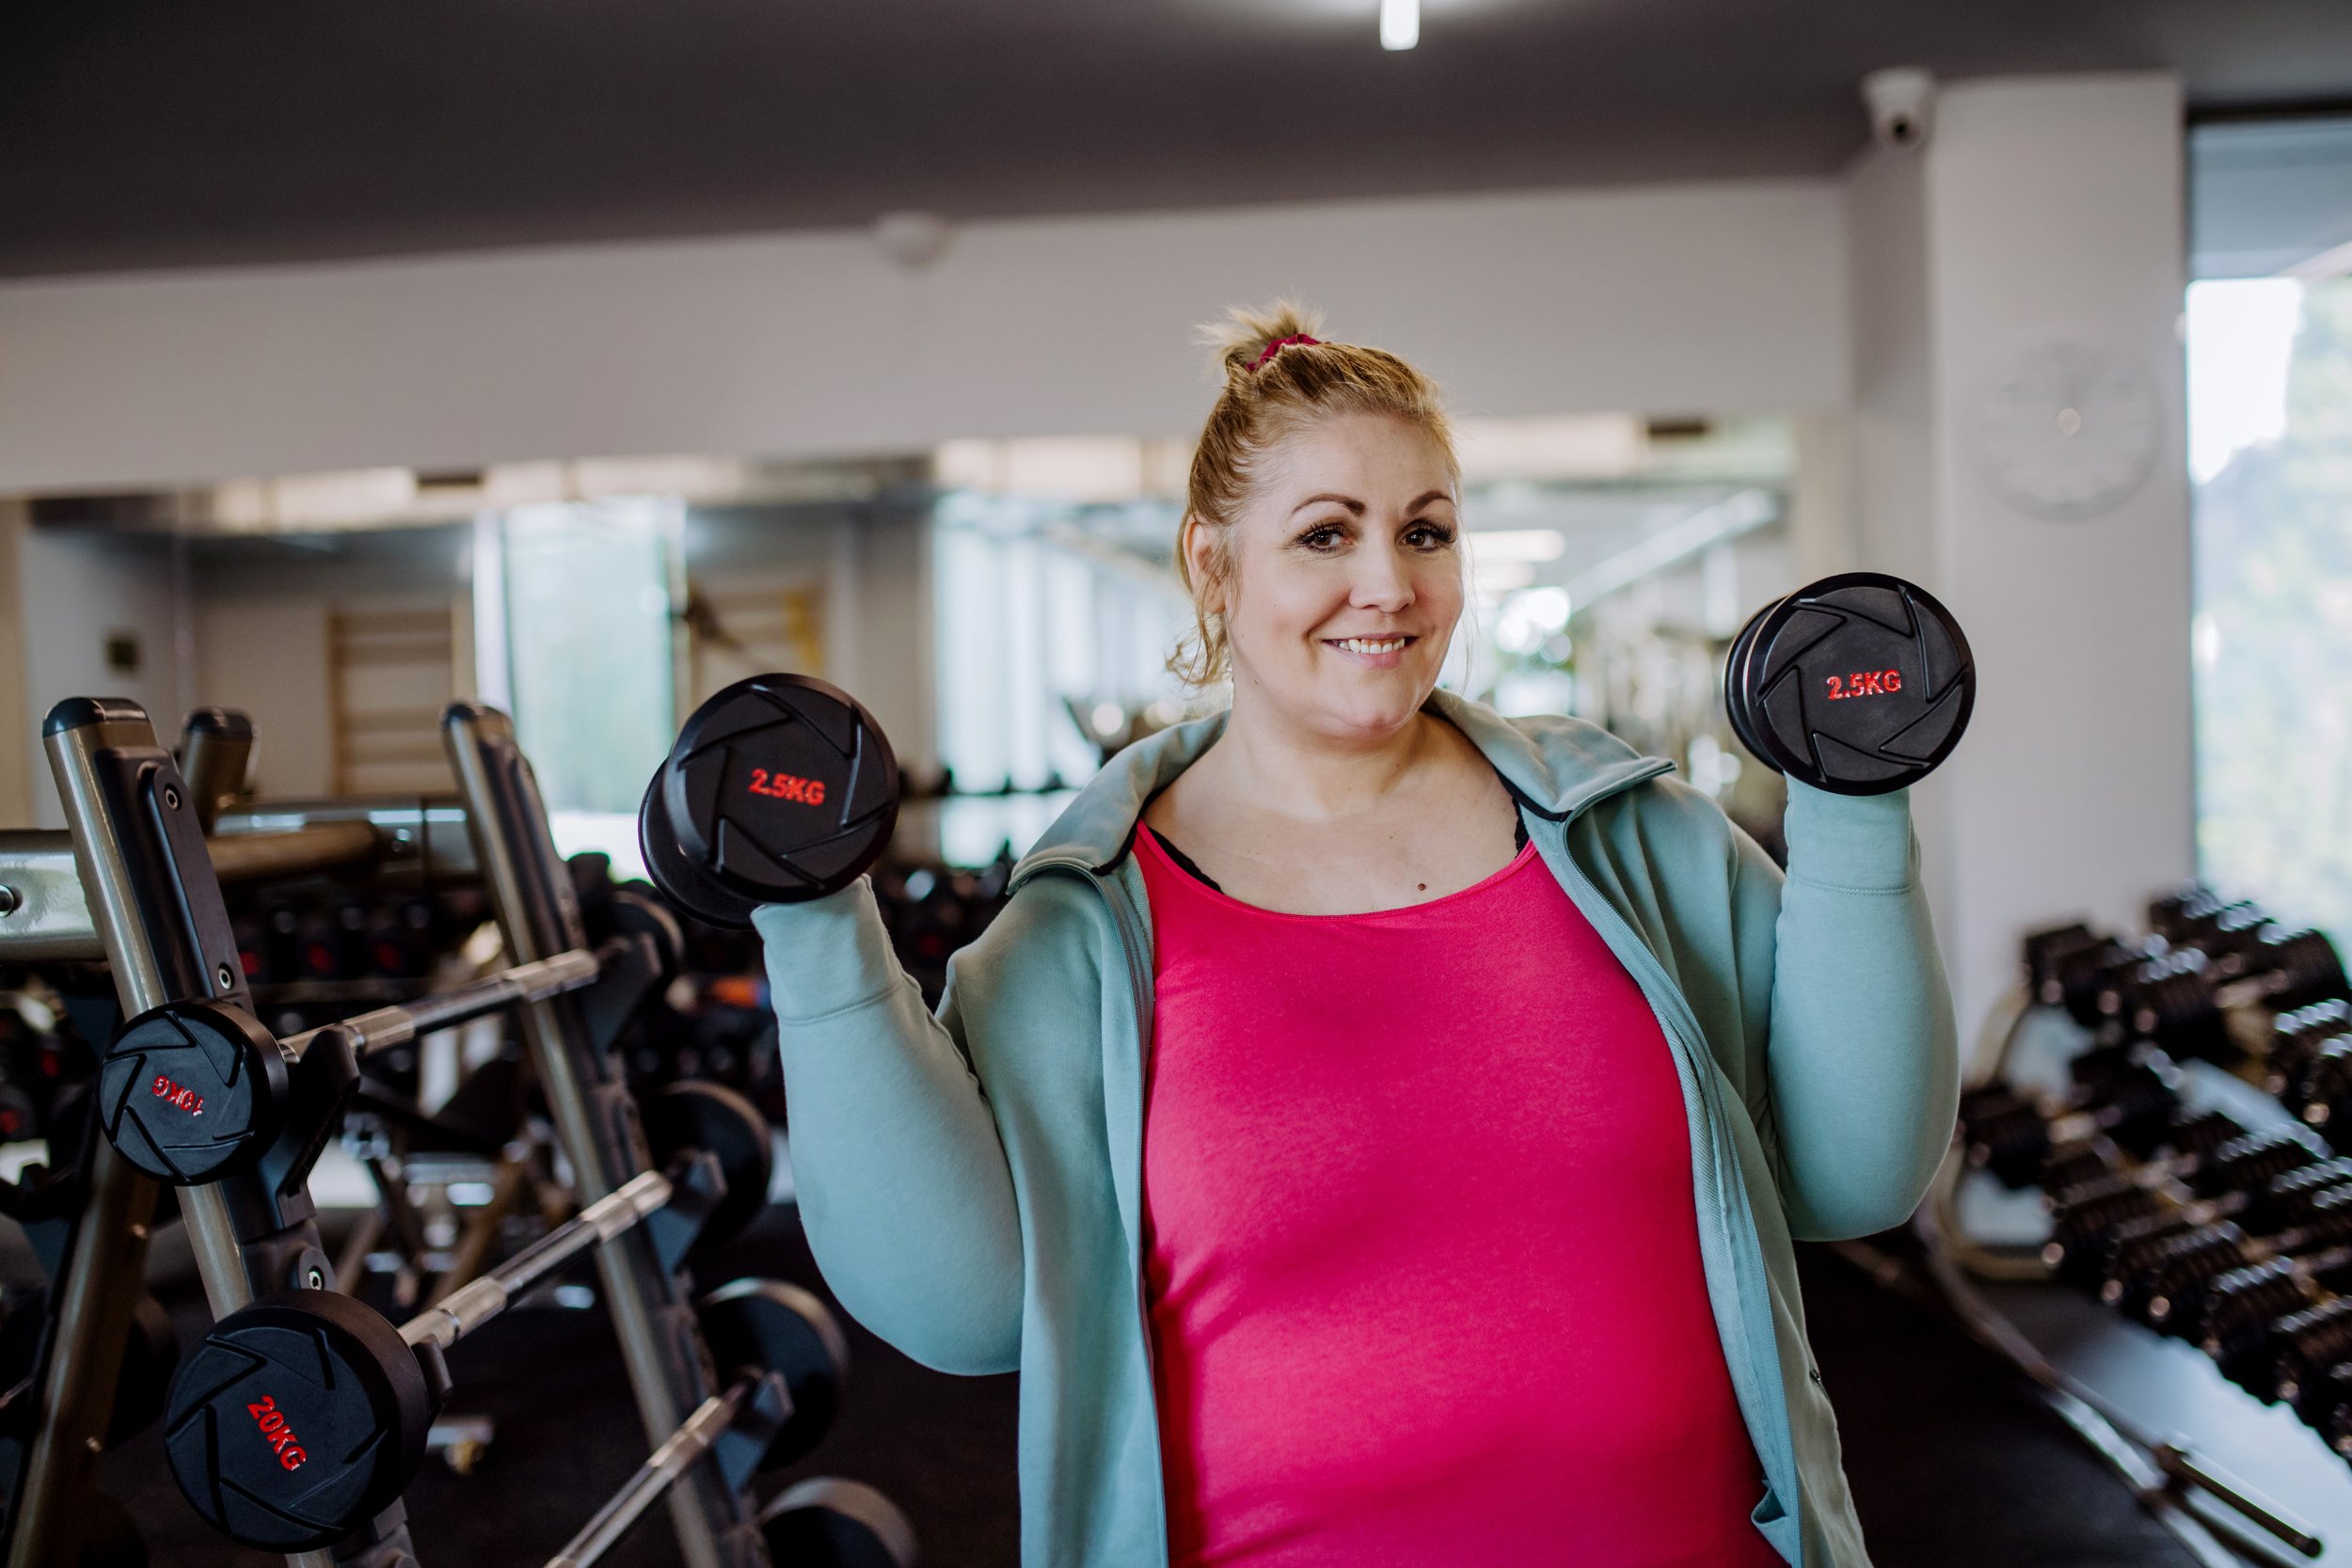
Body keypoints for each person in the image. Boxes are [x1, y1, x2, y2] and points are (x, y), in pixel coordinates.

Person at [754, 304, 1959, 1568]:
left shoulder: (1638, 842)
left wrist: (1855, 801)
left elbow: (1859, 1173)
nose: (1388, 584)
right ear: (1214, 566)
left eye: (1424, 530)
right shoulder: (1087, 933)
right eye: (1326, 533)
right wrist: (812, 923)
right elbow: (967, 1310)